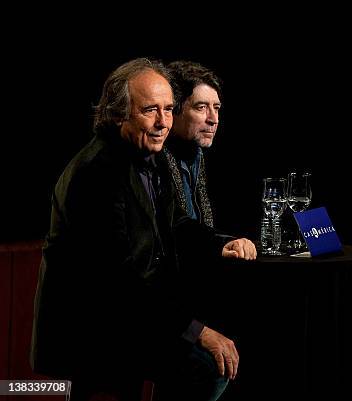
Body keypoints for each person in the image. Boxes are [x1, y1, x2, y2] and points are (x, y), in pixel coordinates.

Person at [30, 58, 256, 401]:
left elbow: (176, 224)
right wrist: (197, 331)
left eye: (168, 109)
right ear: (119, 113)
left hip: (130, 313)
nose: (163, 122)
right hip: (95, 325)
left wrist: (218, 244)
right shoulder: (96, 174)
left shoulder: (149, 157)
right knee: (208, 366)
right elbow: (116, 278)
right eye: (151, 110)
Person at [160, 60, 222, 228]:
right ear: (174, 110)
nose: (213, 119)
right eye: (201, 107)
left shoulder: (196, 154)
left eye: (216, 108)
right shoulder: (153, 159)